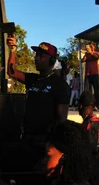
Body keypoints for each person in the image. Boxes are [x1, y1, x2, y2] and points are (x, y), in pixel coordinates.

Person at [7, 36, 70, 169]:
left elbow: (62, 119)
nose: (37, 58)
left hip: (44, 142)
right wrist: (13, 50)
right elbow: (11, 72)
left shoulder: (60, 85)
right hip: (26, 139)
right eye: (36, 55)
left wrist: (53, 146)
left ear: (52, 60)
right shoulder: (33, 79)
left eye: (41, 56)